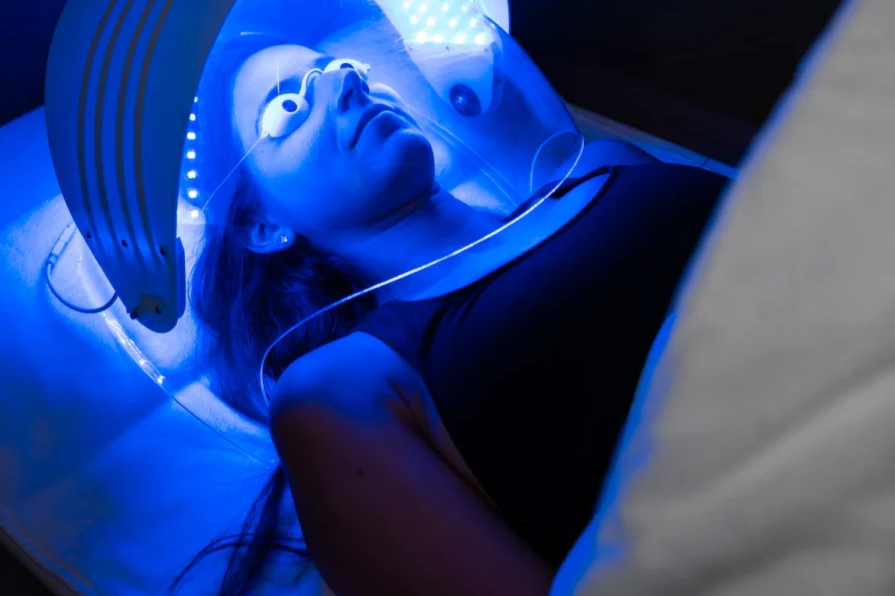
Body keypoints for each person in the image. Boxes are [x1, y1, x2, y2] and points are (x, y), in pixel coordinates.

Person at [172, 37, 729, 596]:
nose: (349, 83)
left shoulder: (605, 166)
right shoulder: (337, 390)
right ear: (260, 227)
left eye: (341, 67)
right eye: (287, 107)